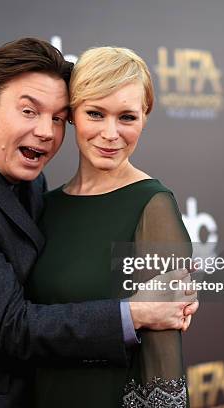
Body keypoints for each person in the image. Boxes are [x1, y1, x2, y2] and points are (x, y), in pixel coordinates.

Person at [0, 38, 198, 408]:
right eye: (29, 111)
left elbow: (163, 356)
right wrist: (135, 312)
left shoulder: (34, 184)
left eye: (55, 117)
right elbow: (13, 324)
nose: (47, 132)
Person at [25, 46, 194, 407]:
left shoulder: (153, 206)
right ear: (72, 115)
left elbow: (162, 360)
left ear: (145, 117)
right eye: (96, 113)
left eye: (127, 117)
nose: (110, 133)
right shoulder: (44, 204)